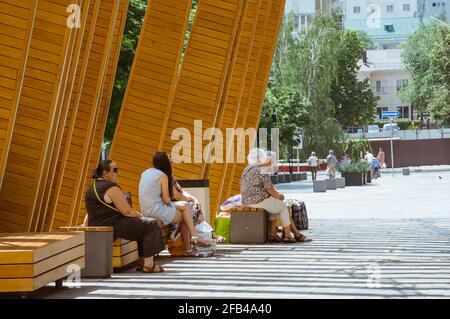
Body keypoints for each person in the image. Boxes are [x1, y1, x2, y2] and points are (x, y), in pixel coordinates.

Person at [85, 160, 166, 273]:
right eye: (115, 170)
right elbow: (127, 211)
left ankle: (143, 261)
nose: (118, 173)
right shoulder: (111, 187)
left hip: (100, 225)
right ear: (105, 173)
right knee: (151, 224)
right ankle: (149, 264)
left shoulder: (91, 188)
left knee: (141, 225)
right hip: (113, 225)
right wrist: (142, 217)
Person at [139, 151, 210, 257]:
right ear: (165, 162)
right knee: (186, 213)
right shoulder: (163, 175)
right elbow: (168, 199)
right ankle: (192, 240)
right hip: (157, 210)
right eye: (169, 157)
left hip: (146, 209)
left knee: (186, 208)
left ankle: (191, 244)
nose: (172, 158)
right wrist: (187, 201)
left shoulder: (146, 172)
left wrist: (190, 199)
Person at [240, 148, 311, 243]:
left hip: (246, 201)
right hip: (257, 201)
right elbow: (270, 189)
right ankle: (288, 235)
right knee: (282, 207)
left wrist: (275, 196)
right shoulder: (261, 170)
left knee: (274, 205)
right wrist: (279, 196)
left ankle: (273, 234)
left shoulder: (247, 169)